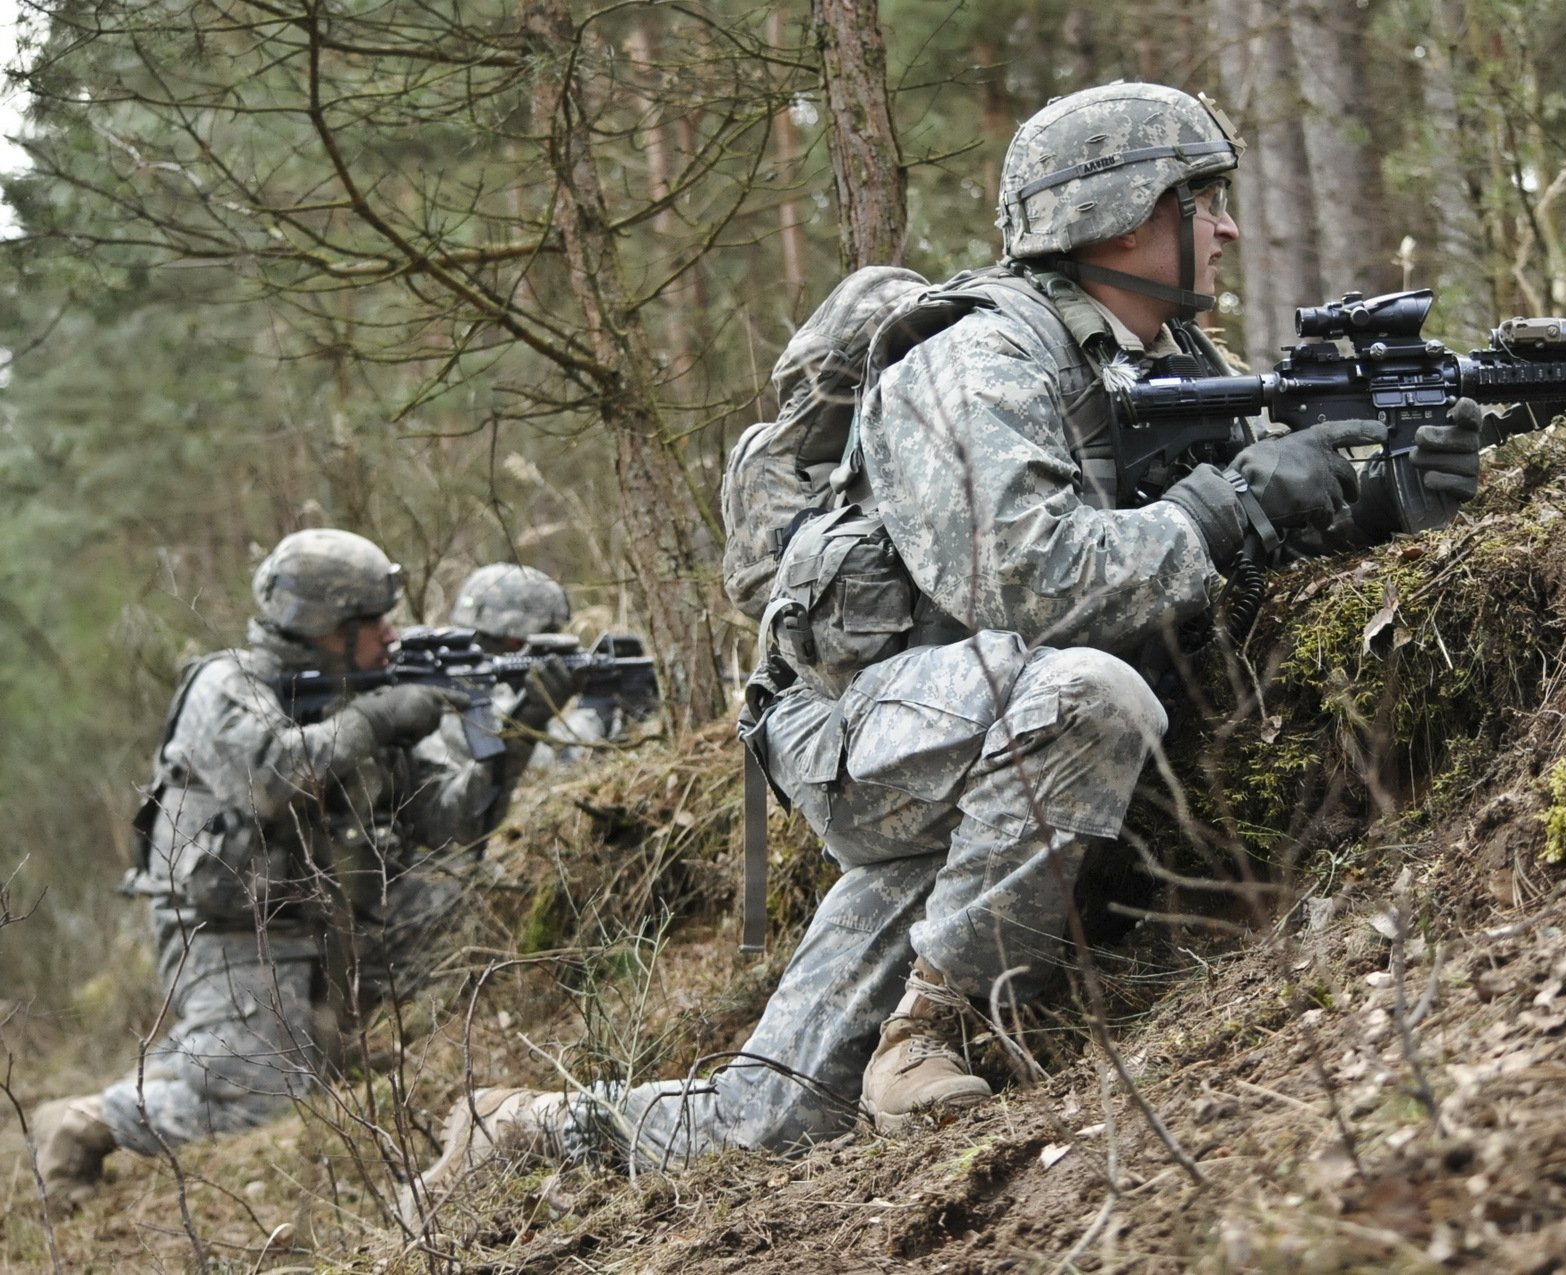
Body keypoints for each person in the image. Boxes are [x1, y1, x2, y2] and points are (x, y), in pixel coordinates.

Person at [399, 81, 1483, 1216]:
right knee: (1088, 693)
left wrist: (1373, 508)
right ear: (1123, 219)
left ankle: (517, 1127)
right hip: (872, 735)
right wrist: (1227, 507)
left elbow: (1215, 552)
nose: (1226, 228)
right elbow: (1028, 581)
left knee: (767, 1121)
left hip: (992, 739)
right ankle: (927, 1036)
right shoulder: (974, 362)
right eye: (1200, 201)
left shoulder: (1154, 355)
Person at [27, 529, 573, 1216]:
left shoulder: (371, 689)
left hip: (335, 926)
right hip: (230, 933)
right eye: (370, 621)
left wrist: (518, 727)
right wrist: (374, 719)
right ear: (321, 626)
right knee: (270, 1101)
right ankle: (86, 1120)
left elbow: (455, 821)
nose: (390, 632)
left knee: (475, 914)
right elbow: (270, 776)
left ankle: (276, 1044)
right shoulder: (226, 685)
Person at [443, 563, 629, 770]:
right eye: (549, 632)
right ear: (517, 638)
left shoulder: (454, 672)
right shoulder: (467, 696)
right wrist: (594, 711)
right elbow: (551, 764)